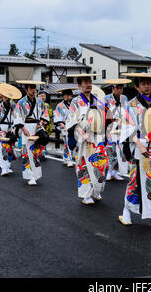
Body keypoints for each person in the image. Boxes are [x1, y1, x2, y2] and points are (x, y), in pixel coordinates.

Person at [118, 73, 151, 231]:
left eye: (149, 83)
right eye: (143, 83)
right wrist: (139, 146)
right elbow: (128, 128)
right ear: (137, 86)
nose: (147, 86)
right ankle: (126, 211)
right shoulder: (131, 105)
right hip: (139, 146)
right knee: (135, 181)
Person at [65, 73, 109, 205]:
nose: (88, 84)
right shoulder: (76, 101)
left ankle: (96, 191)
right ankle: (86, 194)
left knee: (102, 164)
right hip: (84, 138)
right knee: (85, 165)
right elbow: (72, 121)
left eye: (90, 82)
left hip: (98, 137)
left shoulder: (98, 100)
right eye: (85, 82)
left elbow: (105, 117)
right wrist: (83, 134)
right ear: (79, 86)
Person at [13, 80, 50, 186]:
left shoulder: (39, 101)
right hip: (26, 126)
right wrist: (23, 128)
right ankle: (29, 175)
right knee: (26, 151)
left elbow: (45, 113)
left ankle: (36, 174)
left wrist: (41, 122)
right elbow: (17, 116)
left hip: (36, 127)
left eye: (34, 88)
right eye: (31, 88)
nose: (33, 90)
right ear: (26, 89)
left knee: (36, 151)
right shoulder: (21, 102)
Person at [0, 83, 22, 177]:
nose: (6, 99)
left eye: (8, 97)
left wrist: (15, 129)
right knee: (3, 147)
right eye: (4, 97)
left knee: (10, 147)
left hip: (11, 128)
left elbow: (17, 118)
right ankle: (3, 168)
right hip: (1, 128)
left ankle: (8, 166)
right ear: (2, 97)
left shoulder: (15, 106)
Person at [104, 80, 130, 181]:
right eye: (117, 88)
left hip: (121, 126)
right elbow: (103, 112)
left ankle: (115, 172)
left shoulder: (124, 98)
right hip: (110, 127)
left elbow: (127, 110)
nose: (119, 90)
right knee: (111, 150)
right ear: (113, 88)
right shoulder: (106, 98)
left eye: (121, 88)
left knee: (120, 150)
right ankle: (109, 171)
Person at [54, 88, 75, 167]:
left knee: (70, 143)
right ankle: (69, 160)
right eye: (66, 95)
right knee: (67, 142)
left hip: (73, 125)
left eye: (70, 95)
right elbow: (57, 115)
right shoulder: (60, 105)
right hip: (65, 126)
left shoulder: (74, 104)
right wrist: (60, 123)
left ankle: (65, 158)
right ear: (63, 96)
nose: (68, 97)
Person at [38, 90, 53, 161]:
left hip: (46, 125)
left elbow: (51, 116)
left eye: (44, 96)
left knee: (44, 140)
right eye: (41, 96)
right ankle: (40, 154)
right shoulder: (37, 104)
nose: (43, 97)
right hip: (39, 125)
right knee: (39, 140)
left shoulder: (47, 105)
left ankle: (42, 154)